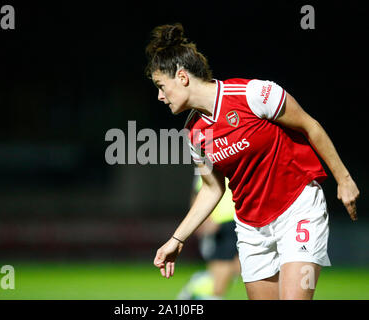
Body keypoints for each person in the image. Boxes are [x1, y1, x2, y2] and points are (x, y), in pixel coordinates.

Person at [145, 23, 360, 300]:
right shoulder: (195, 134)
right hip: (250, 228)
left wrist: (343, 180)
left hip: (297, 208)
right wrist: (177, 239)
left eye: (162, 87)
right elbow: (212, 188)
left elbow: (310, 126)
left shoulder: (254, 94)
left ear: (183, 77)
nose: (160, 96)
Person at [177, 174, 240, 300]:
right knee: (220, 283)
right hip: (221, 223)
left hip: (243, 220)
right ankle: (198, 288)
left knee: (240, 269)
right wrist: (203, 221)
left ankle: (199, 282)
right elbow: (200, 192)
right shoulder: (210, 162)